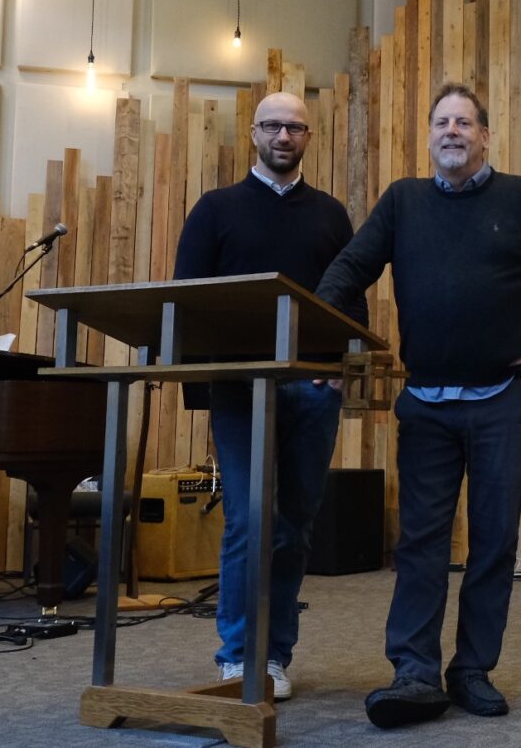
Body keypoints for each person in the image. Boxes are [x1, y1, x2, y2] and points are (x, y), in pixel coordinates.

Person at [315, 82, 521, 728]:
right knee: (421, 543)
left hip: (499, 407)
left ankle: (472, 669)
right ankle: (415, 673)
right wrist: (340, 345)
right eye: (442, 123)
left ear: (485, 137)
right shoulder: (402, 202)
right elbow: (345, 272)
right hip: (424, 406)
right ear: (429, 138)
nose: (452, 131)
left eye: (465, 123)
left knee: (493, 542)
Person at [174, 91, 366, 700]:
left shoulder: (331, 214)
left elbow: (351, 299)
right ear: (254, 133)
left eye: (296, 128)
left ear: (309, 138)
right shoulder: (216, 209)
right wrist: (206, 374)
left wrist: (342, 368)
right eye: (274, 126)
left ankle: (275, 655)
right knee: (249, 518)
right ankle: (237, 655)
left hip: (312, 387)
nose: (285, 136)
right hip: (238, 388)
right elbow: (187, 298)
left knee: (294, 524)